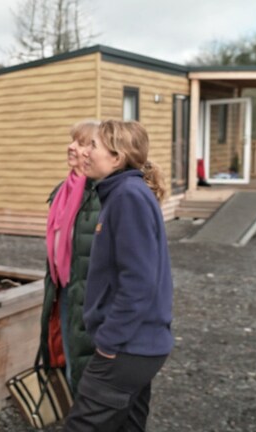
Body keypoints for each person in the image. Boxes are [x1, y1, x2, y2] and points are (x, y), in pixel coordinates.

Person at [65, 120, 173, 431]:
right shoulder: (123, 193)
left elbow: (138, 282)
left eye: (93, 146)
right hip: (138, 347)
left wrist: (110, 340)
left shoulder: (128, 196)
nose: (84, 152)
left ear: (117, 158)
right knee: (128, 426)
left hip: (128, 348)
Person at [38, 119, 101, 396]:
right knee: (68, 363)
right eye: (72, 140)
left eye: (81, 142)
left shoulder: (102, 195)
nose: (70, 146)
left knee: (91, 375)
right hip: (64, 292)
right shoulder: (62, 191)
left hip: (91, 300)